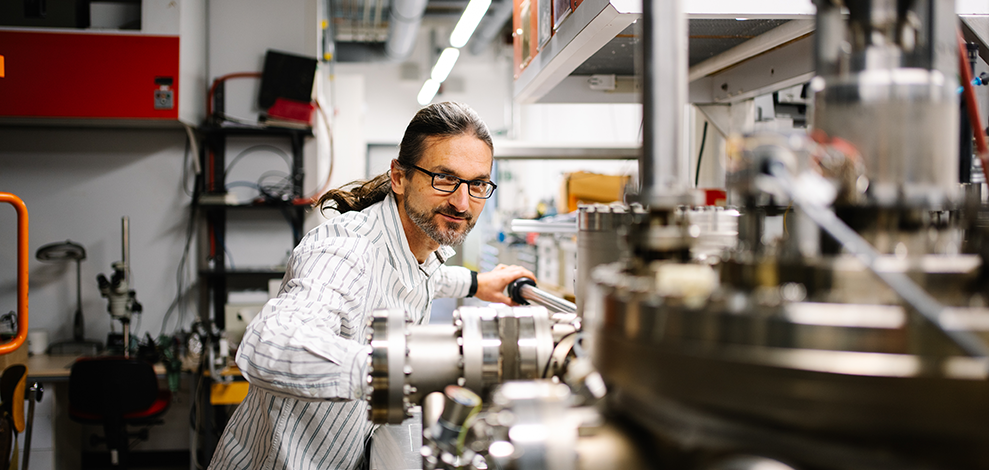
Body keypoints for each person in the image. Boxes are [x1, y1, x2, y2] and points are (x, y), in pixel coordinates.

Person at [208, 102, 535, 470]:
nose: (462, 202)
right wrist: (403, 370)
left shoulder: (420, 249)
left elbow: (421, 277)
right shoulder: (345, 249)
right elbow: (267, 343)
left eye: (477, 184)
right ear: (399, 177)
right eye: (444, 178)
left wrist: (478, 283)